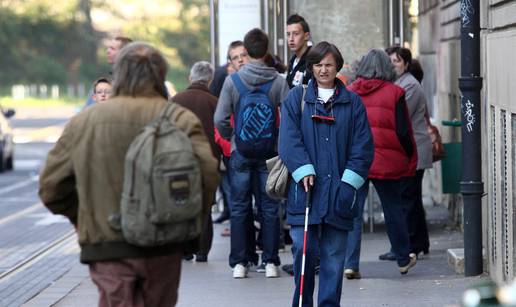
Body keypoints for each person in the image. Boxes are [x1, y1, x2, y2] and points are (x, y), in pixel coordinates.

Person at [39, 42, 219, 307]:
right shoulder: (180, 119)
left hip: (107, 246)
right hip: (164, 243)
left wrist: (86, 218)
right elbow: (208, 177)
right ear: (160, 76)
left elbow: (51, 187)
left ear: (119, 74)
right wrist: (187, 227)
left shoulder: (85, 122)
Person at [280, 41, 374, 307]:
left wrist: (349, 183)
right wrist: (303, 169)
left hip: (339, 195)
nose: (323, 70)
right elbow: (288, 139)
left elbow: (363, 146)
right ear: (311, 67)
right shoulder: (296, 99)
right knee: (303, 251)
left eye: (329, 65)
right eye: (319, 65)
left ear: (337, 67)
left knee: (334, 258)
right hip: (305, 193)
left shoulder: (353, 102)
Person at [214, 28, 289, 279]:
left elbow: (220, 118)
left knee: (239, 207)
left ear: (246, 51)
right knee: (269, 207)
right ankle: (270, 261)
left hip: (241, 152)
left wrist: (232, 137)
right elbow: (290, 117)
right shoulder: (279, 81)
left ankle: (240, 263)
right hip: (270, 153)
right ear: (266, 51)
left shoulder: (232, 81)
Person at [346, 48, 418, 279]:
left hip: (357, 160)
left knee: (354, 214)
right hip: (386, 161)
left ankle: (350, 264)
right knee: (393, 209)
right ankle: (403, 259)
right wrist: (409, 156)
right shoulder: (395, 93)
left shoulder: (349, 92)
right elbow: (403, 130)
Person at [379, 46, 433, 260]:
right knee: (411, 198)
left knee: (408, 198)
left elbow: (398, 116)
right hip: (411, 149)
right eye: (390, 61)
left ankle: (410, 245)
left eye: (397, 61)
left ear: (406, 64)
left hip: (415, 149)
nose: (393, 65)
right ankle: (419, 242)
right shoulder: (398, 84)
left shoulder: (408, 85)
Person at [172, 61, 219, 262]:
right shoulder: (215, 102)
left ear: (190, 78)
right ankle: (202, 250)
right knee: (205, 205)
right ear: (210, 80)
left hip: (180, 162)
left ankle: (185, 249)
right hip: (208, 162)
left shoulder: (175, 100)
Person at [211, 40, 249, 226]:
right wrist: (229, 142)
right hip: (236, 149)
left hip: (257, 149)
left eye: (243, 55)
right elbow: (221, 119)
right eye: (236, 57)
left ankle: (261, 253)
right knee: (241, 202)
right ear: (230, 63)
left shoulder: (268, 79)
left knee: (245, 202)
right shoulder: (229, 83)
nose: (241, 60)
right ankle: (243, 253)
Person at [85, 36, 133, 107]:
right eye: (108, 48)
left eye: (112, 48)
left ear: (124, 53)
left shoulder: (131, 82)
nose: (108, 51)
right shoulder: (113, 80)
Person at [286, 14, 313, 88]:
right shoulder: (293, 61)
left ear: (306, 36)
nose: (291, 39)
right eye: (288, 34)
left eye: (296, 34)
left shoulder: (313, 61)